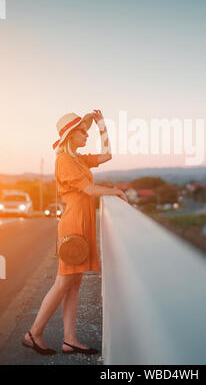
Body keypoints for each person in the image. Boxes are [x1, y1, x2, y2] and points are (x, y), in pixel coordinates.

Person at [22, 109, 128, 355]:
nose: (86, 135)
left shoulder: (78, 158)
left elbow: (107, 155)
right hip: (74, 226)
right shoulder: (65, 161)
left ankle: (69, 339)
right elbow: (89, 189)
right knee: (63, 283)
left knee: (73, 285)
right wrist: (116, 191)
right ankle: (34, 333)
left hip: (82, 223)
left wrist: (102, 125)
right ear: (71, 135)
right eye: (84, 131)